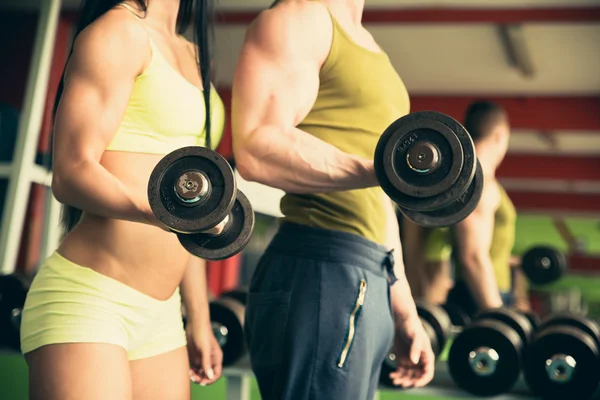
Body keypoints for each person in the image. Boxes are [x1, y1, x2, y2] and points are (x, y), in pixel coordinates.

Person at [19, 1, 226, 399]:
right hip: (91, 300)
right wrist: (163, 215)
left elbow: (199, 212)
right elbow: (71, 171)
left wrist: (198, 316)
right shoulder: (117, 32)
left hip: (163, 316)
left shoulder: (193, 53)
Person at [231, 0, 435, 399]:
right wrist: (387, 172)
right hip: (321, 263)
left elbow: (379, 197)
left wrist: (403, 308)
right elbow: (257, 146)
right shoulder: (301, 17)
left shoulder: (369, 44)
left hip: (371, 271)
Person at [445, 101, 520, 316]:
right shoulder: (480, 182)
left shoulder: (476, 179)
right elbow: (473, 256)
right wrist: (495, 313)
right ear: (500, 135)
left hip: (482, 293)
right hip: (481, 297)